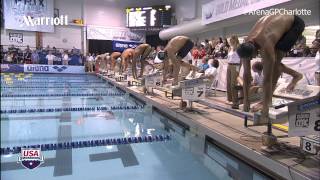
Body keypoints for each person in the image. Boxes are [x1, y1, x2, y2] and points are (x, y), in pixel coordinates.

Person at [236, 15, 305, 121]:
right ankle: (295, 75)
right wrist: (246, 100)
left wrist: (265, 106)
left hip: (294, 24)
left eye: (252, 57)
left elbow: (267, 80)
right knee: (270, 63)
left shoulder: (266, 45)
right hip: (275, 24)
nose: (253, 58)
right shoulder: (246, 45)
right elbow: (246, 74)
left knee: (274, 64)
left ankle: (269, 100)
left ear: (255, 50)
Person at [226, 35, 241, 109]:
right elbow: (228, 58)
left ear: (234, 39)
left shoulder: (238, 47)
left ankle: (236, 102)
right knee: (228, 84)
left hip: (236, 66)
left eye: (231, 40)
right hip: (229, 65)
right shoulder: (230, 48)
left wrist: (239, 69)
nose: (229, 41)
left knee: (233, 84)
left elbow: (241, 59)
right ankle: (230, 99)